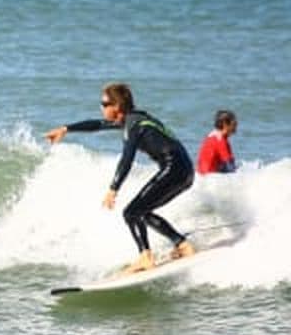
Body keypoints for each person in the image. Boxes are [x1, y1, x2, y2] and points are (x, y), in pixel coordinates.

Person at [45, 83, 195, 274]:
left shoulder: (133, 125)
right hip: (185, 170)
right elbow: (97, 125)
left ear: (116, 106)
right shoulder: (135, 119)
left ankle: (145, 258)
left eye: (104, 103)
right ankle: (182, 246)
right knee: (143, 212)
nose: (101, 107)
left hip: (173, 168)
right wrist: (65, 129)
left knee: (131, 213)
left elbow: (127, 158)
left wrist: (113, 189)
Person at [197, 110, 238, 174]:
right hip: (211, 178)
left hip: (203, 176)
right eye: (234, 124)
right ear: (225, 124)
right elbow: (230, 166)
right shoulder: (220, 140)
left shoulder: (212, 135)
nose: (235, 128)